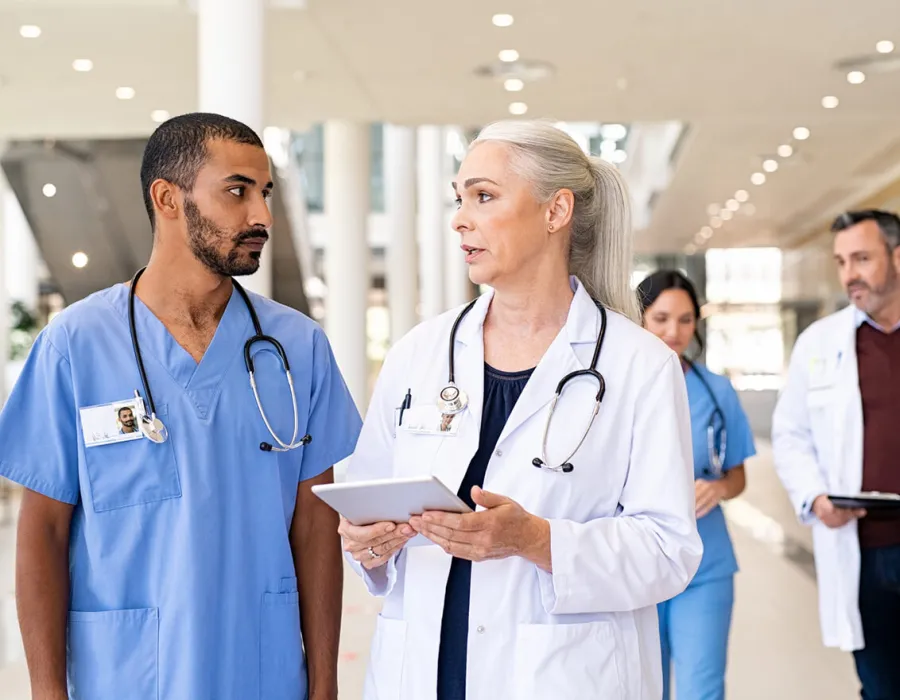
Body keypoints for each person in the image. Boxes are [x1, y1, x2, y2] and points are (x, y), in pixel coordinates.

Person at [0, 113, 361, 700]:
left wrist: (324, 685)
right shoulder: (76, 344)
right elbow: (42, 532)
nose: (261, 216)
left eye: (265, 194)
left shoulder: (297, 348)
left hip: (260, 671)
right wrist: (45, 690)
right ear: (168, 198)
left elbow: (315, 528)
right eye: (237, 191)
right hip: (127, 673)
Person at [339, 120, 702, 700]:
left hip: (562, 677)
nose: (461, 218)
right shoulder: (420, 354)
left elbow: (668, 549)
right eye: (459, 199)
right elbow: (366, 501)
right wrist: (366, 541)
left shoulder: (640, 365)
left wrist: (535, 539)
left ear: (556, 211)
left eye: (484, 196)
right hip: (423, 672)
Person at [772, 209, 900, 700]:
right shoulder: (820, 343)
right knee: (881, 684)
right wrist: (816, 497)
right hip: (864, 548)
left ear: (895, 257)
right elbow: (791, 435)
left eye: (863, 258)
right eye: (842, 261)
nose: (850, 274)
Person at [637, 270, 755, 700]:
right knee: (643, 687)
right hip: (635, 562)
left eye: (686, 320)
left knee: (701, 690)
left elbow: (738, 474)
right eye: (662, 318)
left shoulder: (716, 389)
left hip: (706, 563)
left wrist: (718, 488)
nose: (675, 331)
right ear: (640, 317)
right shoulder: (615, 387)